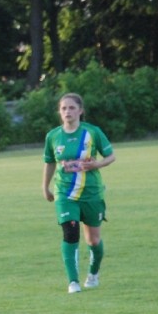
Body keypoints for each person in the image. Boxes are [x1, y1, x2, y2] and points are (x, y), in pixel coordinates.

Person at [42, 92, 116, 294]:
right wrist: (45, 187)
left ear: (80, 111)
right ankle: (73, 282)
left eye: (72, 108)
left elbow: (111, 156)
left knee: (93, 240)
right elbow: (49, 162)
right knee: (70, 231)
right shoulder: (53, 136)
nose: (67, 111)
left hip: (91, 193)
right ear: (59, 111)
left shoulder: (92, 132)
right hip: (64, 193)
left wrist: (96, 164)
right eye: (64, 108)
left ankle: (93, 274)